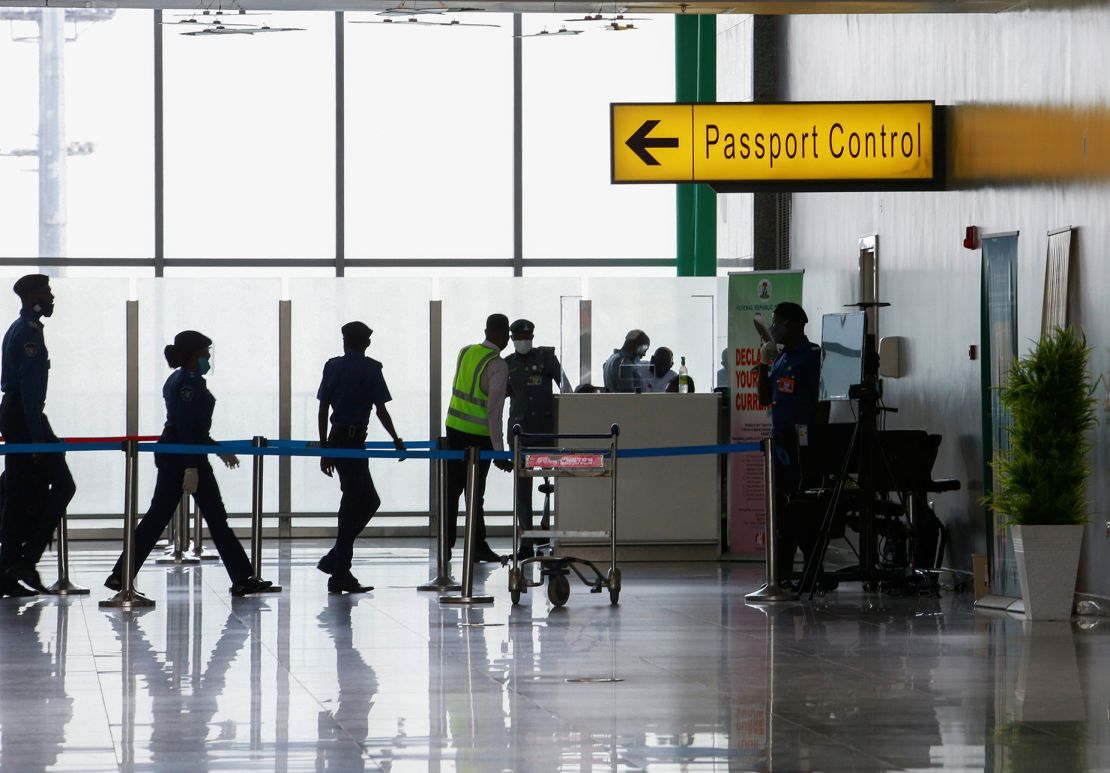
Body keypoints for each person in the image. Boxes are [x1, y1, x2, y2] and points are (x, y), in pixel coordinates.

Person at [105, 330, 273, 596]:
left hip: (183, 453)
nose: (208, 356)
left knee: (165, 518)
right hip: (182, 458)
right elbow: (184, 427)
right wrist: (192, 466)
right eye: (205, 351)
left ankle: (121, 574)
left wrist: (215, 448)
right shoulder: (188, 384)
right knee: (203, 519)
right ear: (195, 354)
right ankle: (242, 577)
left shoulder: (184, 379)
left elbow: (193, 428)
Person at [0, 274, 76, 597]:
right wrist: (35, 439)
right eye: (46, 291)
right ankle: (26, 559)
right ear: (32, 295)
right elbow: (30, 392)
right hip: (24, 415)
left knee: (17, 493)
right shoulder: (29, 333)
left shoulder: (22, 329)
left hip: (19, 413)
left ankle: (7, 570)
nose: (51, 296)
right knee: (63, 484)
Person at [316, 321, 405, 594]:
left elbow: (322, 409)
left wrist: (325, 448)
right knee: (366, 500)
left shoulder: (332, 366)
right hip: (354, 442)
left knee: (353, 501)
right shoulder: (370, 369)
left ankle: (338, 564)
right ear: (366, 343)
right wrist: (396, 438)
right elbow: (381, 410)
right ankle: (339, 565)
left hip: (337, 440)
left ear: (344, 341)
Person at [756, 302, 822, 588]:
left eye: (778, 322)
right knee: (779, 510)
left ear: (794, 325)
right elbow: (763, 399)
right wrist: (763, 362)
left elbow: (820, 401)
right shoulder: (781, 359)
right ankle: (780, 574)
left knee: (802, 508)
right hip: (780, 440)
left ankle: (812, 571)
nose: (774, 328)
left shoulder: (812, 356)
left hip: (803, 442)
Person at [444, 313, 513, 563]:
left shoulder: (466, 351)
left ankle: (446, 546)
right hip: (477, 437)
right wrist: (499, 453)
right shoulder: (498, 364)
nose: (508, 338)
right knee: (475, 493)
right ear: (502, 334)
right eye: (507, 334)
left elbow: (473, 390)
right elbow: (493, 412)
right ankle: (477, 546)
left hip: (453, 428)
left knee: (451, 491)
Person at [504, 319, 568, 560]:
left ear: (532, 336)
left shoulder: (546, 359)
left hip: (547, 431)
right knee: (523, 489)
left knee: (557, 482)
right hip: (521, 434)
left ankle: (550, 530)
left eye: (527, 337)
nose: (523, 341)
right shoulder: (506, 364)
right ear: (512, 339)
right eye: (519, 338)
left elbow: (565, 387)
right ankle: (526, 541)